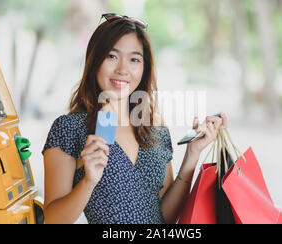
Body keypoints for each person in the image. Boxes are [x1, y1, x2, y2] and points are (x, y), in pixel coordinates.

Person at [41, 13, 228, 224]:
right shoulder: (69, 129)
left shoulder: (154, 128)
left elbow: (163, 218)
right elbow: (52, 220)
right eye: (112, 56)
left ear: (144, 67)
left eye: (134, 59)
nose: (123, 70)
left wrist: (192, 155)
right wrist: (88, 182)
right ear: (94, 60)